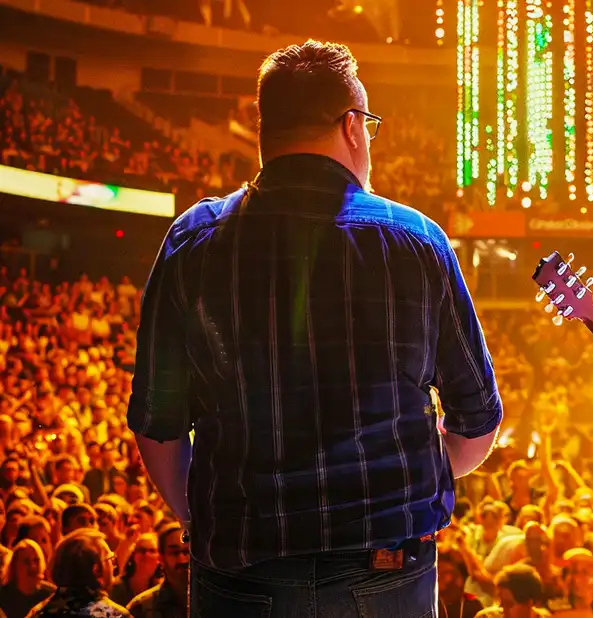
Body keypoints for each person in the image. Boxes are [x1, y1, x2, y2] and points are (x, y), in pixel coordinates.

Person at [127, 39, 502, 617]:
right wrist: (402, 481)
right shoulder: (418, 241)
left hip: (239, 567)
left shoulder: (193, 241)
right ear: (352, 126)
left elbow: (157, 426)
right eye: (370, 127)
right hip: (386, 567)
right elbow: (478, 419)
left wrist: (198, 517)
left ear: (265, 128)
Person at [25, 528, 130, 617]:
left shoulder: (38, 613)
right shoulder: (114, 615)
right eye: (110, 559)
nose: (113, 565)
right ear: (97, 569)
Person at [126, 523, 189, 618]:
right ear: (161, 559)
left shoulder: (215, 600)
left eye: (188, 551)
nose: (183, 559)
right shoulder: (141, 608)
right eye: (175, 553)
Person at [0, 540, 55, 618]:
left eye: (36, 560)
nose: (33, 566)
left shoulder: (51, 595)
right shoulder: (2, 597)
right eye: (26, 561)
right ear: (14, 566)